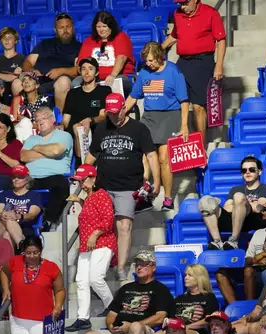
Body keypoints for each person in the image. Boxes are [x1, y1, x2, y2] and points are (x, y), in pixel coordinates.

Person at [84, 92, 160, 279]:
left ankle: (121, 266)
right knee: (101, 224)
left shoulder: (139, 129)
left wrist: (157, 181)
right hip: (103, 186)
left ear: (124, 109)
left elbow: (151, 155)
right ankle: (101, 263)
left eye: (116, 112)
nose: (113, 116)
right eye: (109, 113)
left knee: (124, 225)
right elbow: (92, 155)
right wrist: (85, 176)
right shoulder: (101, 128)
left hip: (128, 186)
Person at [122, 41, 190, 210]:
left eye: (152, 60)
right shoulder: (144, 72)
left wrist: (184, 125)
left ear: (160, 57)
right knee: (142, 153)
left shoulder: (174, 71)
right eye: (147, 61)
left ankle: (167, 197)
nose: (149, 64)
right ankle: (146, 191)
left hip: (170, 116)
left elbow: (184, 101)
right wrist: (120, 113)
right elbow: (133, 96)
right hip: (150, 117)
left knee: (163, 158)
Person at [83, 250, 175, 334]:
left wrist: (131, 326)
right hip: (120, 332)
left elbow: (160, 317)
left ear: (153, 267)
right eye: (137, 264)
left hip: (145, 332)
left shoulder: (160, 289)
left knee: (136, 327)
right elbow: (112, 314)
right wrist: (111, 326)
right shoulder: (126, 288)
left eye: (143, 264)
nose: (139, 268)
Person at [0, 235, 65, 334]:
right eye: (28, 253)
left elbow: (60, 290)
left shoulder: (51, 267)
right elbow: (3, 272)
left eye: (35, 252)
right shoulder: (15, 262)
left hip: (42, 319)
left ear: (41, 251)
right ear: (24, 252)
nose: (32, 256)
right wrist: (5, 289)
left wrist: (58, 306)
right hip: (18, 319)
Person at [162, 0, 226, 143]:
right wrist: (159, 49)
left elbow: (221, 39)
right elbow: (174, 35)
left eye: (185, 3)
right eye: (180, 5)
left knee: (198, 106)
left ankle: (201, 146)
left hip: (203, 62)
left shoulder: (211, 13)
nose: (183, 7)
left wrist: (219, 65)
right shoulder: (178, 14)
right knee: (178, 100)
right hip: (183, 61)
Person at [64, 164, 116, 332]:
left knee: (95, 278)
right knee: (81, 281)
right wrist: (80, 201)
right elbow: (91, 214)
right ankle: (83, 317)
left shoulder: (102, 195)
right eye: (78, 182)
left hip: (102, 242)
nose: (81, 184)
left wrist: (95, 233)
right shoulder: (90, 197)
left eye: (83, 180)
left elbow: (108, 219)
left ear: (93, 179)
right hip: (87, 246)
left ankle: (112, 306)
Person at [198, 156, 266, 250]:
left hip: (253, 220)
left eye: (251, 169)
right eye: (244, 170)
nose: (247, 172)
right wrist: (241, 205)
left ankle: (234, 240)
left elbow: (260, 208)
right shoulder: (235, 189)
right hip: (234, 219)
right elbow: (227, 208)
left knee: (238, 196)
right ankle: (217, 242)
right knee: (205, 201)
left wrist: (240, 203)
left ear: (259, 171)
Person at [216, 198, 266, 303]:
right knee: (221, 273)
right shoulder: (258, 233)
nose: (263, 212)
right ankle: (236, 307)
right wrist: (256, 258)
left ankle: (250, 305)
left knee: (252, 271)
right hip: (256, 268)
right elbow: (247, 259)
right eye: (263, 210)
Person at [20, 106, 74, 230]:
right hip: (31, 178)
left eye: (43, 118)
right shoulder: (31, 138)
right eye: (37, 120)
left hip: (54, 176)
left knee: (60, 184)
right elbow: (24, 156)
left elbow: (56, 151)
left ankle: (49, 220)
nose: (40, 122)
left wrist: (36, 148)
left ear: (52, 119)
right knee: (14, 184)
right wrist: (47, 152)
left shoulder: (64, 135)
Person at [16, 13, 80, 111]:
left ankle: (59, 121)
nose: (65, 30)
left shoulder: (78, 47)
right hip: (40, 79)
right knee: (16, 83)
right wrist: (32, 70)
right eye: (61, 28)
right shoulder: (44, 44)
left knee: (62, 82)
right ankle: (23, 118)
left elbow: (78, 69)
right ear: (55, 30)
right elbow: (28, 62)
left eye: (68, 27)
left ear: (73, 28)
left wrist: (61, 71)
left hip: (62, 80)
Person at [153, 264, 218, 334]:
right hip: (177, 330)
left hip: (196, 332)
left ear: (199, 278)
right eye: (185, 275)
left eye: (190, 275)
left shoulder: (209, 297)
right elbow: (171, 319)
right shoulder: (179, 299)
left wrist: (187, 327)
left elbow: (208, 320)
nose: (186, 278)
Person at [61, 57, 110, 161]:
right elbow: (65, 120)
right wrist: (60, 126)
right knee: (77, 128)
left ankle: (83, 165)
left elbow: (103, 116)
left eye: (90, 69)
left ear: (96, 73)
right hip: (75, 132)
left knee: (81, 128)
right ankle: (82, 164)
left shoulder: (104, 91)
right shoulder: (72, 93)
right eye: (83, 69)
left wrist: (90, 120)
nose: (86, 72)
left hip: (95, 129)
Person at [74, 11, 134, 93]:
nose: (101, 30)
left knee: (117, 82)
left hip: (117, 76)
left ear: (111, 27)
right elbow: (82, 62)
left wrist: (113, 75)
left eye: (104, 26)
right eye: (98, 27)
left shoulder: (121, 37)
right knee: (75, 83)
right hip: (94, 77)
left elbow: (121, 58)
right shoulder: (89, 41)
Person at [0, 165, 43, 248]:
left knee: (7, 234)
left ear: (27, 179)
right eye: (14, 177)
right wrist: (1, 215)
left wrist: (18, 216)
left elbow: (31, 215)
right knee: (8, 219)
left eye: (19, 177)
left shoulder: (34, 195)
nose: (16, 179)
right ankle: (23, 247)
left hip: (24, 228)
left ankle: (11, 258)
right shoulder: (4, 194)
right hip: (2, 225)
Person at [12, 72, 56, 143]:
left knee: (26, 122)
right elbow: (13, 123)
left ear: (37, 85)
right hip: (21, 136)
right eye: (24, 80)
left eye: (30, 79)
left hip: (41, 137)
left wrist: (27, 121)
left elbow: (46, 125)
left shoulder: (45, 99)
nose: (26, 82)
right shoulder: (18, 100)